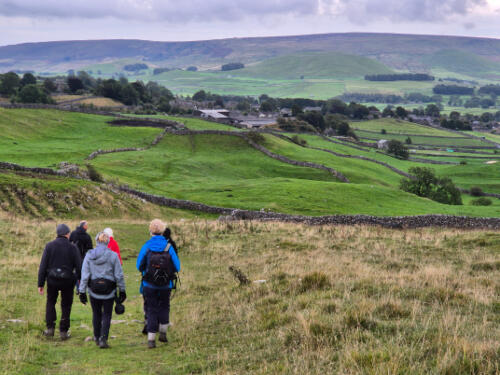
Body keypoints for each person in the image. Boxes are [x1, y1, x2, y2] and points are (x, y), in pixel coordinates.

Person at [137, 219, 180, 348]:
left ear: (150, 231)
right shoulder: (169, 247)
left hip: (149, 284)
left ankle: (151, 340)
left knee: (151, 309)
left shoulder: (147, 246)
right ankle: (163, 333)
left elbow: (139, 265)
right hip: (166, 284)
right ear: (162, 231)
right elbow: (177, 266)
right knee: (164, 307)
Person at [79, 232, 126, 349]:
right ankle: (103, 339)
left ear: (96, 241)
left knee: (96, 313)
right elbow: (119, 275)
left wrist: (82, 291)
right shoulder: (113, 256)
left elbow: (85, 275)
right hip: (109, 290)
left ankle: (96, 337)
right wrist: (122, 290)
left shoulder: (89, 255)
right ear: (108, 242)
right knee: (107, 314)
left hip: (93, 289)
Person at [38, 224, 82, 340]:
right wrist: (79, 280)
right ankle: (63, 331)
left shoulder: (49, 246)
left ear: (57, 233)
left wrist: (40, 283)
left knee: (51, 302)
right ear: (67, 234)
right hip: (68, 281)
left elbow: (43, 266)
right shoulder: (73, 247)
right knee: (66, 304)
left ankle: (50, 329)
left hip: (52, 280)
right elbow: (79, 266)